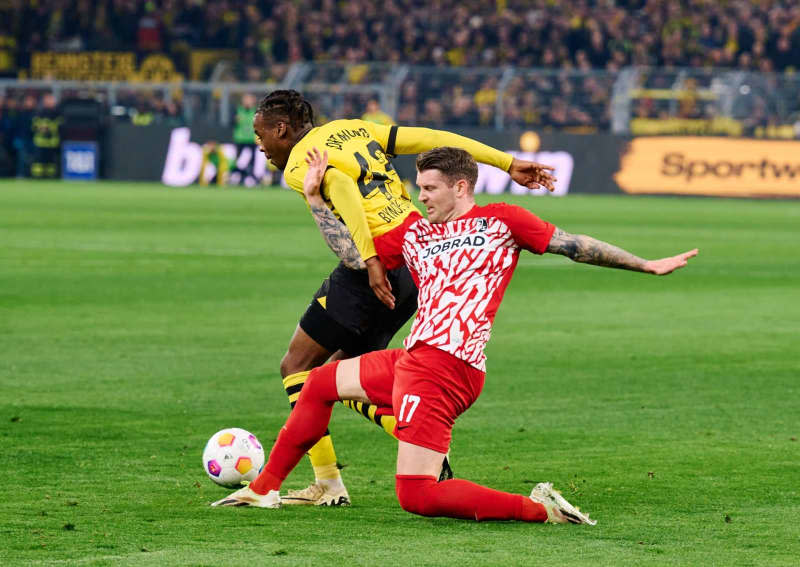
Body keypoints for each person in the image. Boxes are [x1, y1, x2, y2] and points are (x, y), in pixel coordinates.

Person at [212, 147, 698, 523]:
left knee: (417, 496)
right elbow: (355, 257)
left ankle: (540, 509)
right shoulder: (417, 234)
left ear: (461, 187)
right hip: (413, 359)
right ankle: (264, 488)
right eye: (418, 187)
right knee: (318, 383)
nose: (420, 197)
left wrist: (645, 264)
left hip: (447, 366)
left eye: (428, 188)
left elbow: (573, 245)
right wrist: (317, 200)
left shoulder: (502, 221)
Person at [252, 90, 558, 506]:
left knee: (298, 365)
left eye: (260, 134)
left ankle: (328, 483)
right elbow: (434, 137)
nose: (261, 145)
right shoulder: (354, 128)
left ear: (281, 128)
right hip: (419, 257)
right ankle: (413, 432)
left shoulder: (298, 161)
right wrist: (507, 163)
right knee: (345, 374)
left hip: (376, 262)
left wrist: (370, 258)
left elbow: (340, 185)